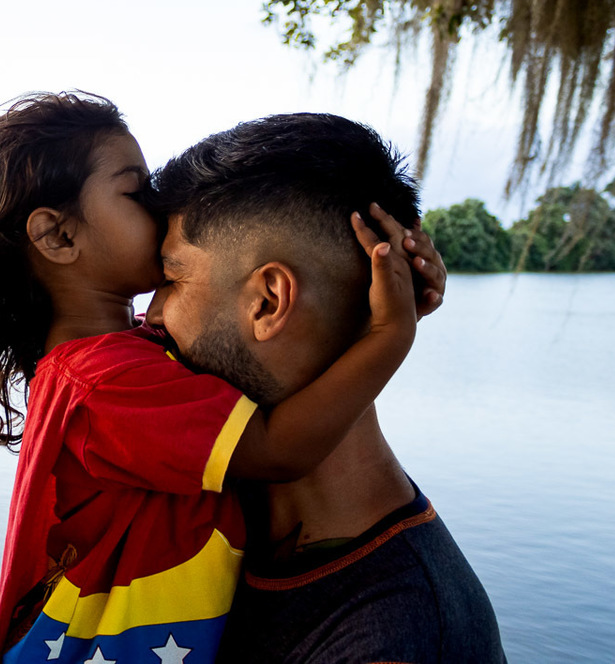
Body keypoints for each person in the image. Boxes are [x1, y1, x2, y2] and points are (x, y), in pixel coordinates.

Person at [0, 92, 444, 664]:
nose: (155, 204)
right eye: (134, 191)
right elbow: (276, 448)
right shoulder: (104, 381)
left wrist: (375, 305)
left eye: (176, 281)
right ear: (59, 237)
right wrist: (389, 335)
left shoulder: (123, 356)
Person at [145, 113, 506, 663]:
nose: (151, 316)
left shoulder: (389, 640)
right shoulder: (224, 508)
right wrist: (364, 329)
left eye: (171, 280)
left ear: (268, 301)